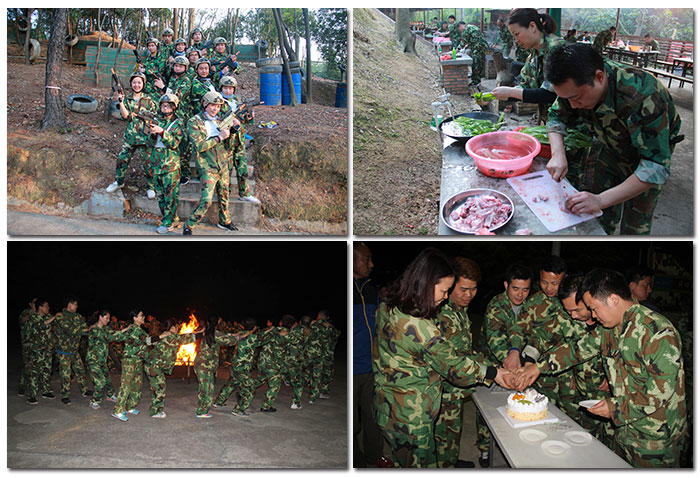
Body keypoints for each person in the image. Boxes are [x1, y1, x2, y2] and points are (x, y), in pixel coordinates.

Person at [516, 269, 686, 467]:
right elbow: (577, 349)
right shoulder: (611, 329)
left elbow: (660, 392)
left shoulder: (657, 332)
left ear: (613, 299)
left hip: (654, 440)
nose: (593, 317)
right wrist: (537, 367)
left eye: (594, 309)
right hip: (624, 431)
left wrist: (614, 407)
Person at [373, 248, 515, 467]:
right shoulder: (420, 326)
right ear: (427, 283)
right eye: (444, 290)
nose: (446, 297)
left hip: (389, 406)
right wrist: (494, 373)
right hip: (412, 416)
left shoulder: (388, 307)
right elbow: (455, 366)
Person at [544, 43, 683, 234]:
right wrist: (558, 154)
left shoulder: (644, 95)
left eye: (577, 98)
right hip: (609, 150)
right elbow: (556, 116)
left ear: (600, 77)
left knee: (635, 228)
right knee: (597, 218)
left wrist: (601, 200)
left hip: (645, 159)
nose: (573, 106)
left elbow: (656, 166)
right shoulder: (576, 83)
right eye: (567, 99)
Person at [434, 257, 490, 468]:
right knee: (442, 435)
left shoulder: (460, 310)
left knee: (452, 433)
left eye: (473, 289)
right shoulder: (440, 312)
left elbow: (465, 352)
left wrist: (493, 366)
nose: (469, 295)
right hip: (443, 390)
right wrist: (490, 373)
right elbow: (450, 360)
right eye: (463, 289)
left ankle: (450, 461)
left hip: (456, 390)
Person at [556, 273, 614, 446]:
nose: (572, 315)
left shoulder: (611, 321)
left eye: (576, 310)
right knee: (585, 435)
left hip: (609, 393)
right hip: (582, 386)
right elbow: (569, 349)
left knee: (610, 440)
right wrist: (574, 371)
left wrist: (611, 375)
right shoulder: (570, 320)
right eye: (568, 311)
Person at [510, 255, 569, 407]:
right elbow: (520, 328)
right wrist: (515, 351)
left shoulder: (573, 302)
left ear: (565, 278)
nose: (549, 288)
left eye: (555, 283)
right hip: (539, 374)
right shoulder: (534, 302)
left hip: (568, 374)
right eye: (544, 282)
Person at [183, 91, 241, 235]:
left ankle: (225, 221)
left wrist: (233, 130)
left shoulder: (221, 119)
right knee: (206, 200)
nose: (215, 109)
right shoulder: (194, 122)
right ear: (204, 104)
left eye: (218, 106)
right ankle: (189, 224)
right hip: (207, 166)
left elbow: (229, 144)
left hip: (223, 163)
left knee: (224, 195)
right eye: (212, 105)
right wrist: (219, 138)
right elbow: (199, 146)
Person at [492, 9, 565, 124]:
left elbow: (552, 94)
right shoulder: (533, 56)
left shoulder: (557, 49)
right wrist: (495, 95)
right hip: (552, 124)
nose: (516, 41)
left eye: (517, 34)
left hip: (570, 125)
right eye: (513, 36)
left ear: (532, 26)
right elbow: (526, 87)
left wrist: (510, 92)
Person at [352, 243, 385, 467]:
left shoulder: (371, 289)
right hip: (353, 369)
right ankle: (355, 461)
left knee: (374, 416)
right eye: (366, 259)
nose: (371, 264)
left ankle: (375, 456)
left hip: (371, 366)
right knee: (352, 423)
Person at [106, 72, 158, 198]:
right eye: (134, 82)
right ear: (131, 84)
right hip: (130, 137)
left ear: (143, 84)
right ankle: (119, 182)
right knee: (122, 159)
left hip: (145, 137)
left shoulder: (149, 100)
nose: (137, 85)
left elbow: (154, 117)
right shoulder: (127, 99)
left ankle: (151, 187)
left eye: (139, 82)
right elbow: (125, 116)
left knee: (147, 163)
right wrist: (122, 102)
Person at [194, 315, 249, 418]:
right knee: (208, 389)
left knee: (204, 389)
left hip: (200, 364)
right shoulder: (216, 334)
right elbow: (231, 341)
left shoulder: (205, 331)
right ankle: (202, 412)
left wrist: (234, 334)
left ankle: (201, 409)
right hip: (206, 366)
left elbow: (226, 335)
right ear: (218, 322)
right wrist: (241, 336)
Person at [144, 319, 200, 418]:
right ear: (173, 327)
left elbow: (149, 341)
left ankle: (155, 408)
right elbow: (189, 338)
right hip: (155, 367)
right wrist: (202, 333)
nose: (178, 329)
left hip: (150, 365)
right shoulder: (172, 337)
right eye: (177, 327)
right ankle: (155, 412)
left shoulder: (162, 336)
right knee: (160, 388)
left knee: (156, 388)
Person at [147, 93, 184, 234]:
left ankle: (168, 222)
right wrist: (152, 134)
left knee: (171, 195)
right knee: (160, 194)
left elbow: (175, 143)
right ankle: (168, 218)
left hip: (171, 164)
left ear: (174, 107)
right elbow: (149, 143)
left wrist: (162, 132)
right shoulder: (156, 120)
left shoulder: (178, 123)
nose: (165, 108)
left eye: (168, 106)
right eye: (163, 105)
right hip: (156, 162)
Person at [218, 76, 259, 204]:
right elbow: (217, 121)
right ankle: (226, 194)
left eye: (230, 88)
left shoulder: (236, 101)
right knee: (226, 171)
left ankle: (245, 193)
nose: (228, 91)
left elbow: (244, 121)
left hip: (239, 141)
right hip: (226, 142)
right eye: (225, 88)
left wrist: (248, 117)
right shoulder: (218, 102)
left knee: (242, 169)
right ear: (221, 88)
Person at [85, 309, 133, 409]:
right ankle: (94, 401)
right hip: (93, 361)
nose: (108, 320)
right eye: (106, 318)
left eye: (109, 318)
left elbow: (116, 335)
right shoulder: (94, 330)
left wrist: (127, 333)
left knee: (108, 380)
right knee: (101, 383)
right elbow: (109, 337)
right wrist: (125, 329)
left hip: (102, 360)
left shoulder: (105, 328)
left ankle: (110, 395)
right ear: (100, 317)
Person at [157, 55, 192, 184]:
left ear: (186, 68)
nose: (178, 68)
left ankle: (186, 173)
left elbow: (177, 96)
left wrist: (163, 88)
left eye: (181, 66)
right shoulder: (172, 78)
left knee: (183, 144)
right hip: (171, 115)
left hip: (182, 116)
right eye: (176, 65)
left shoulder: (187, 80)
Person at [111, 309, 150, 421]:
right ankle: (117, 410)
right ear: (135, 318)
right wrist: (123, 331)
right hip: (129, 361)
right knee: (126, 385)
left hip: (138, 361)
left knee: (137, 386)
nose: (143, 317)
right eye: (141, 315)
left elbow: (147, 342)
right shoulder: (131, 329)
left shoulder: (141, 330)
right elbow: (117, 337)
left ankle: (130, 406)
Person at [213, 318, 259, 416]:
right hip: (242, 368)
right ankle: (239, 409)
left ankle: (219, 401)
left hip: (235, 365)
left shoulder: (240, 333)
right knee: (250, 388)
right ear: (254, 327)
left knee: (232, 383)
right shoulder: (253, 337)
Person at [53, 297, 92, 404]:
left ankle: (84, 390)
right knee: (65, 374)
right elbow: (70, 330)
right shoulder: (61, 316)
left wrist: (92, 330)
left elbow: (85, 328)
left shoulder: (78, 316)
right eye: (75, 304)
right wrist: (86, 330)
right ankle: (64, 394)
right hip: (64, 351)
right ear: (69, 304)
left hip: (74, 350)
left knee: (80, 371)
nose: (77, 306)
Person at [24, 299, 57, 404]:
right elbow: (39, 326)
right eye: (46, 306)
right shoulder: (33, 318)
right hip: (37, 350)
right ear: (40, 307)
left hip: (47, 349)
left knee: (47, 370)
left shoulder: (48, 317)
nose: (48, 308)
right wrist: (54, 318)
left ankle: (46, 391)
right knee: (35, 372)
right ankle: (32, 395)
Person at [254, 319, 288, 412]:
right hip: (273, 364)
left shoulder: (270, 330)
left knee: (259, 380)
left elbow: (258, 337)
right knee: (275, 385)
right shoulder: (288, 334)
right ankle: (266, 406)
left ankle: (244, 393)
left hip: (263, 361)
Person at [18, 298, 37, 397]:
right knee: (27, 366)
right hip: (27, 343)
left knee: (35, 367)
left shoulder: (39, 313)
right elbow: (22, 320)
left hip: (37, 344)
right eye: (34, 303)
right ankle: (22, 386)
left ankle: (33, 386)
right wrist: (31, 312)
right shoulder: (26, 312)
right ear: (30, 304)